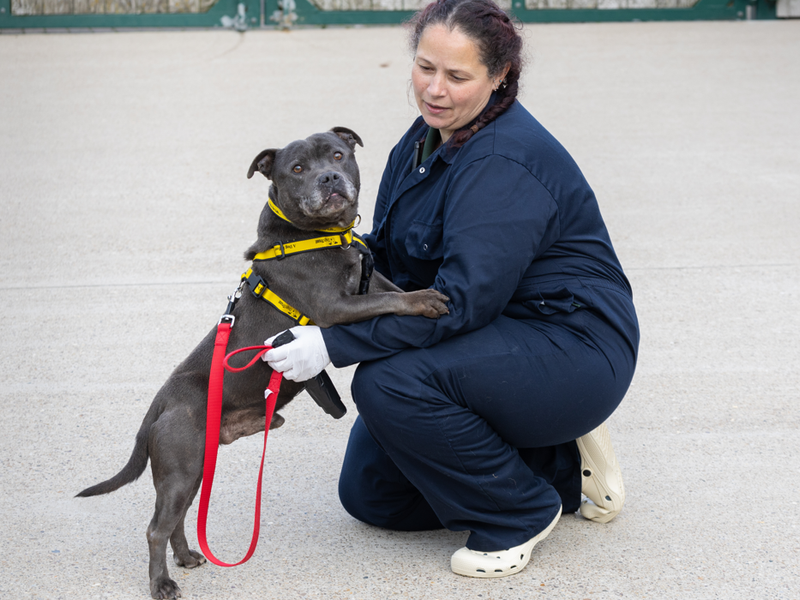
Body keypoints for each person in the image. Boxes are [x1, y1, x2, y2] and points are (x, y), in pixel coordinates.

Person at [264, 0, 639, 579]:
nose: (435, 89)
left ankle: (520, 511)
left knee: (390, 384)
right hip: (490, 330)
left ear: (500, 77)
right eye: (425, 67)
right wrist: (300, 271)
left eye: (458, 77)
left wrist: (332, 346)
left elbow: (462, 301)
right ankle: (557, 469)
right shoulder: (425, 139)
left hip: (568, 343)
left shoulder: (504, 161)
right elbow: (393, 256)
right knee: (371, 497)